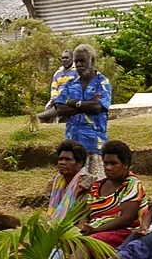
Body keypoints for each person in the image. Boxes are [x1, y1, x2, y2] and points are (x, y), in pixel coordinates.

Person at [36, 44, 111, 178]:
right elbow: (60, 108)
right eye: (76, 61)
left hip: (94, 145)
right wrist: (85, 105)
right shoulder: (71, 83)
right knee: (72, 186)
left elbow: (97, 107)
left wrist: (73, 103)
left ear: (92, 61)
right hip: (72, 147)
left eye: (83, 61)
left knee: (94, 188)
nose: (79, 64)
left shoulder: (102, 82)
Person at [81, 141, 144, 248]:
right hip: (93, 230)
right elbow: (86, 213)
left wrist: (97, 230)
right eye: (106, 163)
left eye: (114, 163)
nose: (108, 167)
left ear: (125, 164)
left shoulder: (131, 184)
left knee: (88, 242)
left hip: (123, 233)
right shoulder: (97, 185)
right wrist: (82, 227)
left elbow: (127, 218)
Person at [45, 140, 95, 221]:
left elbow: (86, 214)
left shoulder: (87, 183)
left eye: (67, 160)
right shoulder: (55, 182)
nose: (62, 162)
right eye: (60, 159)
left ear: (79, 163)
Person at [42, 50, 78, 117]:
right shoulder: (58, 73)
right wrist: (55, 97)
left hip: (70, 98)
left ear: (72, 59)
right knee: (47, 109)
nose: (64, 60)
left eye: (67, 58)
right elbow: (53, 87)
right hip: (57, 98)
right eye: (63, 58)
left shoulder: (77, 71)